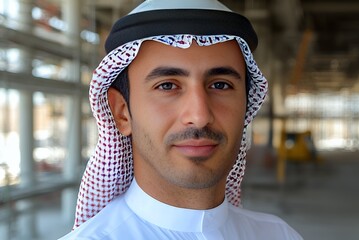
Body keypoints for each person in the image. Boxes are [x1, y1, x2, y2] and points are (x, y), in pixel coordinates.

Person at [60, 0, 302, 239]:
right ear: (122, 112)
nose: (199, 117)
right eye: (167, 86)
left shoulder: (279, 234)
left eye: (220, 85)